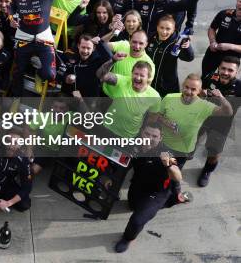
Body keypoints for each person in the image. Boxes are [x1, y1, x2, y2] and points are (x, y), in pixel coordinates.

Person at [114, 117, 183, 253]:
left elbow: (178, 175)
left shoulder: (166, 153)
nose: (150, 138)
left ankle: (127, 238)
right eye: (147, 134)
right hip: (138, 184)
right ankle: (171, 201)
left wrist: (168, 165)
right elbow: (121, 162)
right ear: (141, 133)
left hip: (157, 193)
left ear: (160, 137)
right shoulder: (134, 145)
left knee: (137, 220)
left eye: (154, 136)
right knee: (132, 206)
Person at [9, 0, 66, 96]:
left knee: (50, 75)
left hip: (43, 38)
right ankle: (16, 97)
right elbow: (11, 8)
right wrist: (11, 18)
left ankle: (38, 72)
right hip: (23, 37)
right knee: (17, 72)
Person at [198, 56, 241, 186]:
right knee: (191, 140)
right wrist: (202, 92)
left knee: (214, 151)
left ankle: (207, 170)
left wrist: (221, 98)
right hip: (203, 118)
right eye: (223, 68)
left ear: (236, 72)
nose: (225, 72)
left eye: (230, 70)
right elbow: (197, 91)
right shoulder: (210, 77)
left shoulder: (239, 87)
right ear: (219, 68)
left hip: (222, 124)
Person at [98, 60, 160, 138]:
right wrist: (113, 60)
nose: (138, 77)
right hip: (106, 128)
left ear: (148, 78)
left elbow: (152, 118)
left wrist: (143, 134)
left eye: (142, 75)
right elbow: (101, 75)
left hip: (128, 137)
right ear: (131, 73)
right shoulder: (123, 81)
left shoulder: (154, 96)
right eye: (136, 74)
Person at [146, 15, 194, 96]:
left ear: (173, 30)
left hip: (168, 86)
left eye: (168, 29)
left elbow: (189, 58)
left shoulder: (178, 42)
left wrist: (187, 47)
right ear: (157, 27)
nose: (164, 32)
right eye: (161, 28)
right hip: (149, 83)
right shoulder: (150, 38)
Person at [201, 0, 241, 75]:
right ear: (237, 1)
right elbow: (212, 28)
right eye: (240, 1)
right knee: (206, 77)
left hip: (231, 60)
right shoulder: (224, 13)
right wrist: (212, 41)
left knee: (224, 81)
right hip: (213, 52)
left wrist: (230, 46)